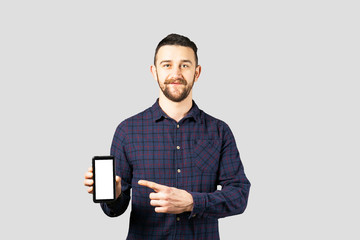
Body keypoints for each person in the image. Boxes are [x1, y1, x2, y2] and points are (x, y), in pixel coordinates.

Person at [84, 33, 251, 239]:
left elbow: (240, 195)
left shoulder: (219, 131)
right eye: (167, 65)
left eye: (184, 65)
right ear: (154, 72)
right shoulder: (127, 130)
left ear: (197, 73)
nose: (176, 73)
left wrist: (192, 202)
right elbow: (114, 210)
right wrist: (114, 194)